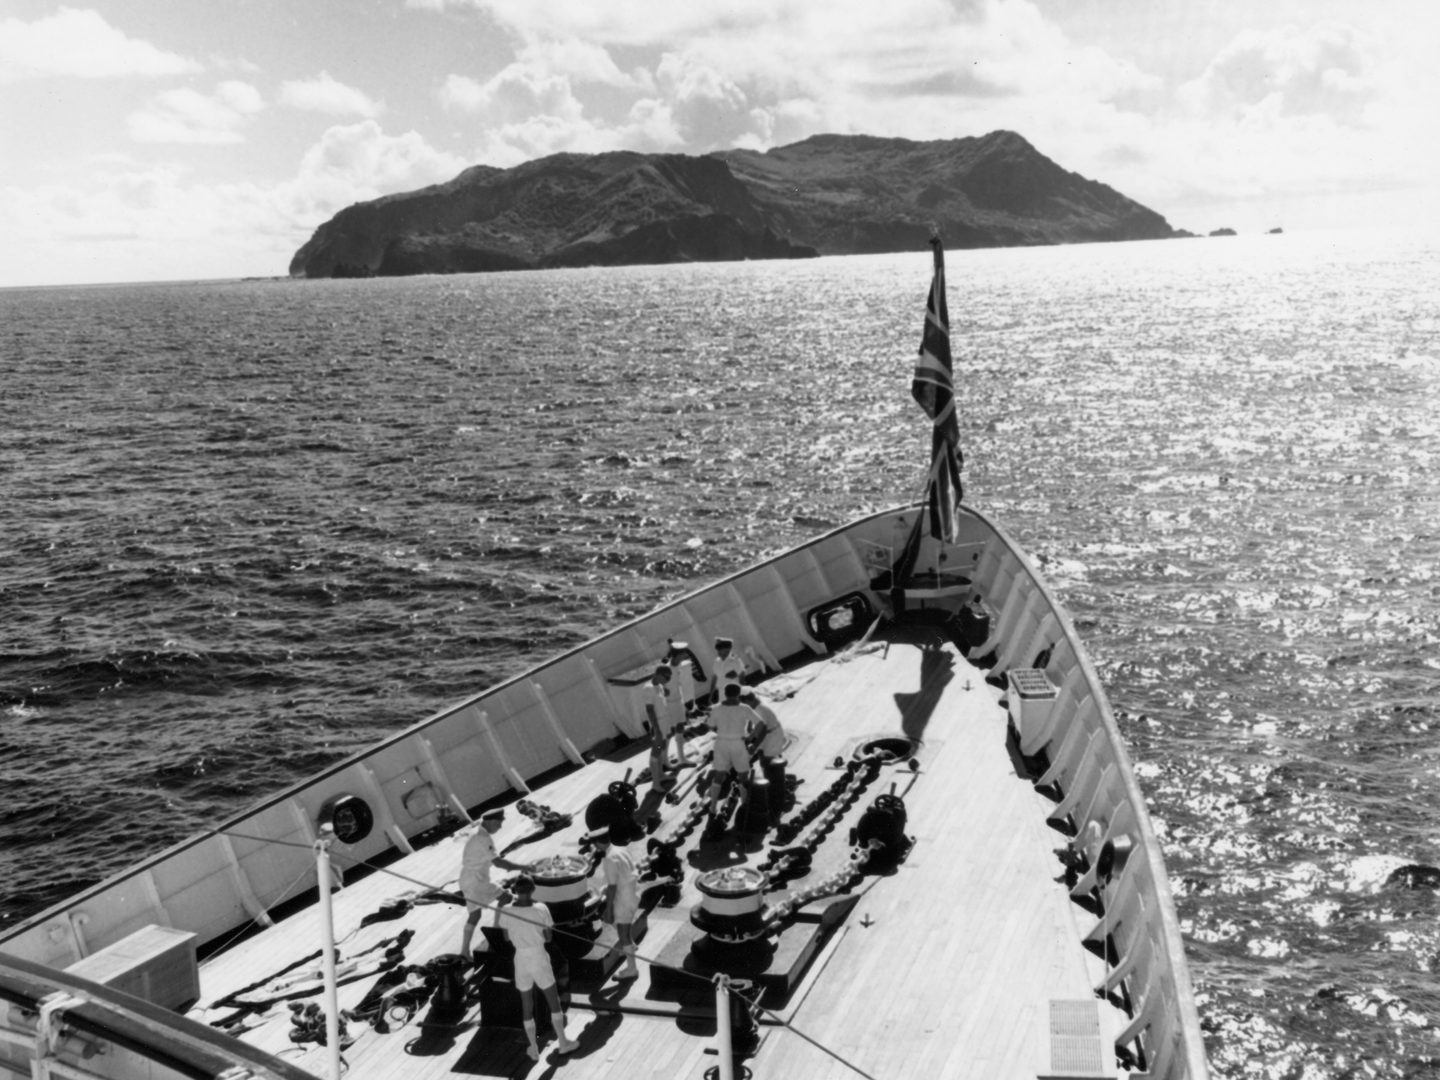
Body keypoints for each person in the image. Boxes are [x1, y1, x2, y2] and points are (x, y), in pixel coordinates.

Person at [496, 875, 579, 1060]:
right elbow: (549, 938)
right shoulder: (541, 908)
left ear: (515, 891)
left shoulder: (506, 909)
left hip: (520, 958)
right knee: (553, 1002)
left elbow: (506, 938)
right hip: (538, 956)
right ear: (533, 890)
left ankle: (533, 1048)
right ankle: (563, 1042)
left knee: (527, 1005)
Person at [457, 807, 528, 962]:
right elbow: (500, 864)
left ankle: (464, 951)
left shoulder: (477, 832)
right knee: (506, 897)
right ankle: (497, 932)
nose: (500, 827)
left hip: (468, 879)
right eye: (498, 823)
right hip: (477, 881)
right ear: (489, 822)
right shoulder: (484, 838)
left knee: (475, 915)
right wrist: (525, 867)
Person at [706, 683, 759, 821]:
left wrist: (721, 731)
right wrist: (750, 736)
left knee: (718, 776)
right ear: (738, 694)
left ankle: (712, 808)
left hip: (721, 743)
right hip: (737, 743)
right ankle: (745, 804)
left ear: (725, 693)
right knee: (743, 777)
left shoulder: (716, 708)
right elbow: (760, 724)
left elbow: (710, 725)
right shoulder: (744, 708)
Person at [595, 823, 640, 981]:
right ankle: (630, 945)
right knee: (623, 927)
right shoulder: (620, 849)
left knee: (622, 932)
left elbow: (612, 887)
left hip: (623, 898)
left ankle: (631, 969)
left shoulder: (609, 859)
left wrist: (608, 910)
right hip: (632, 893)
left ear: (598, 843)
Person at [641, 663, 688, 785]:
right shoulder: (648, 688)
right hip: (658, 724)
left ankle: (661, 774)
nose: (667, 680)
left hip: (664, 722)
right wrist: (656, 730)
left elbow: (660, 702)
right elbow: (650, 710)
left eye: (669, 678)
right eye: (666, 677)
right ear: (657, 675)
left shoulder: (659, 686)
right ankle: (655, 782)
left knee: (662, 747)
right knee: (656, 751)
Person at [741, 690, 786, 768]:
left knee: (767, 762)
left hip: (772, 736)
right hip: (772, 733)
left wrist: (754, 746)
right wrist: (750, 737)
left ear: (749, 701)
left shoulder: (760, 710)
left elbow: (763, 731)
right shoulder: (757, 707)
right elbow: (756, 727)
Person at [709, 636, 748, 705]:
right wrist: (710, 696)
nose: (718, 651)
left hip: (734, 696)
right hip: (721, 694)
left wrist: (740, 696)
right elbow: (714, 678)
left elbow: (741, 678)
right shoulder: (717, 661)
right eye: (718, 648)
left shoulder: (735, 660)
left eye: (721, 648)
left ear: (728, 648)